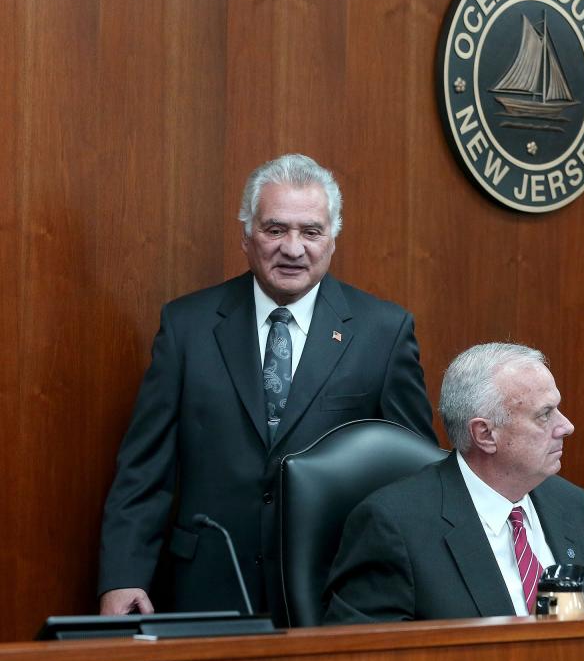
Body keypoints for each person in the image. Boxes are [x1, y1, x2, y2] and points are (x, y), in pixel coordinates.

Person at [98, 154, 435, 623]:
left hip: (338, 595)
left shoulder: (384, 332)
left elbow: (414, 479)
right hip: (207, 590)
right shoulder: (187, 326)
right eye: (276, 230)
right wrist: (122, 575)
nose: (293, 248)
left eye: (311, 231)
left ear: (333, 239)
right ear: (246, 235)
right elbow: (143, 469)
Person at [322, 343, 584, 623]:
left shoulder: (572, 504)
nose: (566, 426)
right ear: (484, 434)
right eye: (544, 414)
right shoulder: (394, 527)